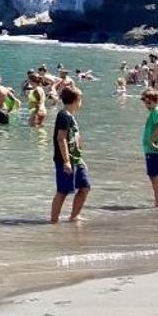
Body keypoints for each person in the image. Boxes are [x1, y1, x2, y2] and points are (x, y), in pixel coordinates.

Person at [51, 87, 89, 223]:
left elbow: (75, 138)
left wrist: (80, 158)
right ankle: (53, 222)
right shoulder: (63, 116)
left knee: (85, 187)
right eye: (80, 99)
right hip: (65, 159)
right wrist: (66, 161)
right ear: (76, 100)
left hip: (76, 159)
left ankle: (74, 216)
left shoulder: (70, 116)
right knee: (63, 191)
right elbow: (61, 139)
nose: (81, 102)